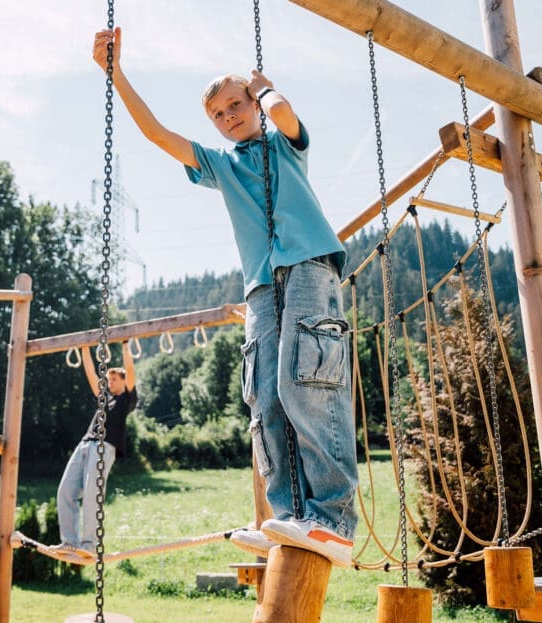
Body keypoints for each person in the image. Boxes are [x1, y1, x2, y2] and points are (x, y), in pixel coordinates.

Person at [92, 28, 358, 567]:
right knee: (266, 396)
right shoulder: (221, 164)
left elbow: (284, 116)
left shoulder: (285, 145)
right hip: (261, 287)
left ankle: (333, 520)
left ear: (254, 102)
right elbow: (157, 134)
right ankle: (288, 515)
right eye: (217, 112)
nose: (229, 115)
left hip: (308, 270)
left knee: (306, 381)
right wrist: (114, 72)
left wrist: (265, 89)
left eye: (236, 103)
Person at [53, 341, 137, 557]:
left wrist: (126, 346)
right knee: (65, 491)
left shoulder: (126, 399)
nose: (109, 383)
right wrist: (84, 349)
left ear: (123, 381)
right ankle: (69, 542)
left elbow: (130, 371)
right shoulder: (104, 398)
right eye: (108, 379)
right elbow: (91, 374)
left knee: (92, 492)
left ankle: (89, 543)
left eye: (114, 379)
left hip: (104, 446)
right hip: (85, 443)